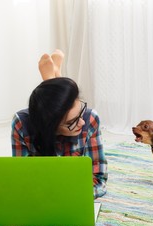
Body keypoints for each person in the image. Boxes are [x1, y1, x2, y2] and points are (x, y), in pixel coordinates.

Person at [11, 50, 107, 198]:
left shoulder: (90, 118)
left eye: (81, 111)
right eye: (71, 123)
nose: (81, 122)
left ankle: (51, 77)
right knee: (53, 106)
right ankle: (54, 74)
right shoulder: (21, 124)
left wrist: (74, 195)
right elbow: (24, 178)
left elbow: (99, 180)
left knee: (61, 100)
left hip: (73, 193)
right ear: (51, 126)